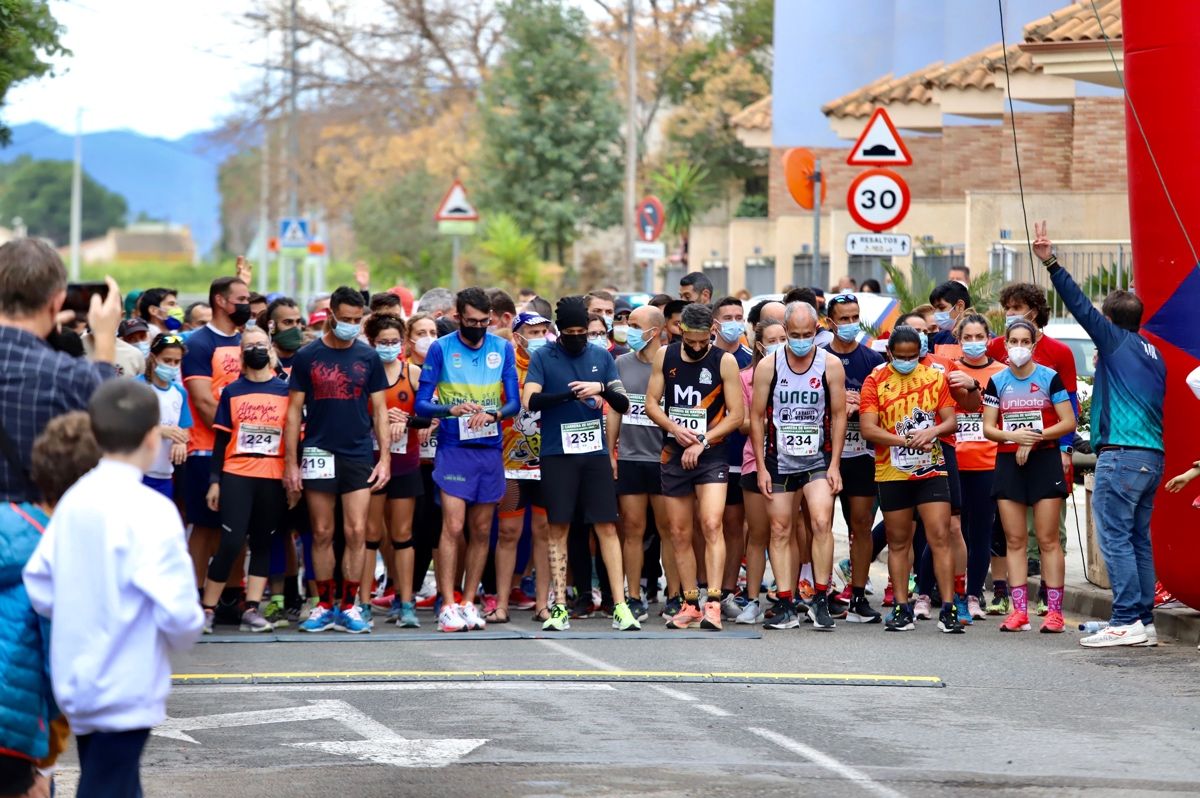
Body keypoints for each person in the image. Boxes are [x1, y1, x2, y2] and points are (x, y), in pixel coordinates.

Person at [23, 379, 204, 796]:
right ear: (150, 436)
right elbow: (179, 612)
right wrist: (181, 634)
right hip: (128, 676)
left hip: (76, 673)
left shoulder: (74, 499)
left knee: (111, 777)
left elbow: (40, 585)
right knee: (110, 783)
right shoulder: (151, 509)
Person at [1037, 221, 1166, 648]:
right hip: (1150, 456)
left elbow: (1078, 306)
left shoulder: (1113, 340)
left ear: (1110, 321)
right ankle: (1141, 619)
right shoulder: (1152, 352)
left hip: (1123, 456)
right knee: (1136, 538)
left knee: (1116, 539)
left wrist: (1051, 261)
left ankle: (1126, 619)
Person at [524, 296, 638, 632]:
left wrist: (600, 388)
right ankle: (559, 605)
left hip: (594, 455)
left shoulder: (601, 356)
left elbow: (624, 403)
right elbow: (531, 399)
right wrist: (568, 395)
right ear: (560, 330)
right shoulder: (544, 356)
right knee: (558, 527)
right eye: (570, 331)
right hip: (558, 455)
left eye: (582, 332)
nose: (577, 337)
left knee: (606, 526)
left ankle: (620, 604)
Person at [0, 412, 99, 798]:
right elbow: (58, 665)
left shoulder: (9, 521)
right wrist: (43, 764)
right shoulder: (62, 554)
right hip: (12, 726)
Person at [286, 286, 391, 635]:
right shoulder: (307, 356)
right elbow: (292, 413)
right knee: (321, 532)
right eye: (344, 319)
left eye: (356, 320)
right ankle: (325, 604)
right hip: (318, 451)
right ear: (330, 314)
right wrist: (290, 464)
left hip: (358, 452)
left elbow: (379, 410)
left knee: (357, 530)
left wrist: (385, 458)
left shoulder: (368, 356)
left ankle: (350, 604)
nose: (350, 325)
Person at [415, 287, 520, 633]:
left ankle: (468, 602)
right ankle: (447, 603)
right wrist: (451, 409)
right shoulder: (440, 349)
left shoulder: (502, 347)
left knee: (481, 529)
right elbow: (421, 404)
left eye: (484, 322)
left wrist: (492, 415)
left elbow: (513, 405)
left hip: (488, 449)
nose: (478, 328)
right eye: (471, 321)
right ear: (458, 317)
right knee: (454, 527)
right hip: (453, 448)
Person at [645, 302, 745, 631]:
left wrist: (701, 440)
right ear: (681, 331)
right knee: (678, 531)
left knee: (711, 523)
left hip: (711, 452)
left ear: (712, 333)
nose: (699, 346)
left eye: (705, 340)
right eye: (693, 340)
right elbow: (651, 404)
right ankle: (690, 603)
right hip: (674, 451)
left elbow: (736, 415)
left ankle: (713, 601)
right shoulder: (666, 355)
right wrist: (675, 430)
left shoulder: (724, 361)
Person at [859, 326, 964, 633]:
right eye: (900, 357)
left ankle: (949, 608)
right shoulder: (875, 380)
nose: (906, 362)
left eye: (912, 356)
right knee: (898, 541)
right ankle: (902, 608)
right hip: (891, 470)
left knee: (940, 536)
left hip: (931, 469)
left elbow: (951, 420)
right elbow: (868, 428)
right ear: (889, 352)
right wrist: (902, 441)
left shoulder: (934, 377)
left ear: (920, 352)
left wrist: (931, 431)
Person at [750, 301, 847, 630]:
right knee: (779, 529)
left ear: (816, 331)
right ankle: (786, 601)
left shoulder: (829, 365)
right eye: (795, 335)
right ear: (786, 332)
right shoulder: (769, 365)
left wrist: (834, 465)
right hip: (779, 459)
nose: (801, 340)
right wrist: (762, 467)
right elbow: (756, 417)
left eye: (808, 334)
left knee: (821, 522)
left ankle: (821, 598)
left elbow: (838, 414)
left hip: (817, 459)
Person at [0, 239, 120, 503]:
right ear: (57, 303)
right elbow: (113, 426)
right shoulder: (68, 376)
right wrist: (105, 338)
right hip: (34, 532)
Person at [986, 280, 1078, 615]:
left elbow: (1069, 420)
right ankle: (1018, 611)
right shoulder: (997, 378)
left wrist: (1035, 437)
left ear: (1035, 339)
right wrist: (1016, 438)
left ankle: (1053, 610)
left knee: (1049, 538)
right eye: (1013, 341)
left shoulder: (1050, 373)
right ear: (1006, 344)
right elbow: (988, 427)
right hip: (1009, 462)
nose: (1019, 345)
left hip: (1045, 461)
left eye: (1025, 341)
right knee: (1014, 540)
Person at [200, 327, 294, 634]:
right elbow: (220, 440)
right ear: (240, 354)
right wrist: (215, 481)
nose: (256, 349)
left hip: (273, 474)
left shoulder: (286, 391)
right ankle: (207, 609)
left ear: (271, 351)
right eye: (249, 345)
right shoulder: (232, 391)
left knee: (263, 541)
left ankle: (252, 609)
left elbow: (296, 439)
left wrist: (294, 479)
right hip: (237, 473)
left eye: (261, 345)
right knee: (230, 541)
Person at [181, 276, 250, 588]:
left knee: (238, 527)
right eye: (241, 299)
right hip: (207, 450)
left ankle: (232, 594)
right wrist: (232, 437)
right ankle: (195, 594)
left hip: (244, 453)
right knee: (206, 526)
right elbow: (203, 401)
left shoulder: (247, 342)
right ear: (221, 301)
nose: (246, 306)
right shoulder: (198, 344)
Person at [362, 315, 428, 629]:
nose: (389, 348)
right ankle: (362, 602)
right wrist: (380, 418)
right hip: (373, 464)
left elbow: (429, 417)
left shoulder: (412, 373)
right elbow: (354, 419)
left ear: (403, 342)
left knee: (403, 535)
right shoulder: (363, 375)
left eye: (394, 342)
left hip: (405, 464)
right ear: (371, 343)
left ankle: (406, 601)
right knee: (370, 535)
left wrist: (407, 421)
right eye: (383, 343)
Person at [822, 293, 885, 623]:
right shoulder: (819, 358)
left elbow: (886, 408)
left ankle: (858, 594)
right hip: (823, 455)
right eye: (843, 319)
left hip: (861, 454)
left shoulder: (873, 359)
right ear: (829, 322)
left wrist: (862, 404)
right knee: (820, 526)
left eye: (854, 318)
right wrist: (835, 404)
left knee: (860, 526)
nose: (849, 325)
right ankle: (823, 591)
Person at [609, 304, 673, 623]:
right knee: (632, 529)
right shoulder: (621, 362)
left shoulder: (673, 362)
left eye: (634, 324)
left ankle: (674, 595)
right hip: (631, 457)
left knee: (670, 530)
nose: (628, 329)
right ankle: (633, 597)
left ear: (655, 331)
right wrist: (611, 452)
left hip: (663, 459)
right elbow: (614, 410)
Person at [498, 311, 552, 622]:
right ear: (517, 336)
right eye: (533, 332)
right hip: (510, 464)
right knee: (508, 532)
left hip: (547, 464)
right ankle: (501, 604)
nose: (540, 336)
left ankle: (542, 603)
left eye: (544, 330)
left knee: (543, 532)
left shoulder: (552, 364)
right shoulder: (505, 367)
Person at [734, 319, 788, 624]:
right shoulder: (747, 377)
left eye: (785, 337)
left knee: (785, 533)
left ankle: (786, 598)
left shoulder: (803, 374)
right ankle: (752, 600)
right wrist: (772, 420)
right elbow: (742, 423)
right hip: (756, 461)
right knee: (757, 535)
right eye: (773, 339)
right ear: (759, 345)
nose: (781, 343)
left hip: (795, 463)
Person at [952, 314, 1005, 620]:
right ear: (958, 341)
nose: (973, 343)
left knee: (982, 533)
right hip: (954, 462)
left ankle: (974, 595)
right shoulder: (948, 370)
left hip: (988, 462)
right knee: (951, 531)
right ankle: (934, 593)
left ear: (988, 338)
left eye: (978, 337)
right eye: (966, 338)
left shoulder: (1001, 373)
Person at [140, 333, 192, 499]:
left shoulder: (179, 392)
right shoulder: (136, 387)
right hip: (137, 473)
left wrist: (181, 442)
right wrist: (158, 430)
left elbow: (184, 428)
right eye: (167, 360)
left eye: (176, 362)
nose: (172, 366)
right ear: (154, 358)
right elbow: (122, 427)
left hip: (164, 476)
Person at [264, 296, 305, 373]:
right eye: (288, 322)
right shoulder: (261, 362)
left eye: (298, 322)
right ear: (272, 326)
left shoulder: (309, 359)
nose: (295, 328)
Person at [928, 280, 971, 350]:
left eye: (941, 307)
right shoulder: (939, 338)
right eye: (935, 309)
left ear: (960, 306)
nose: (936, 313)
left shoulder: (984, 337)